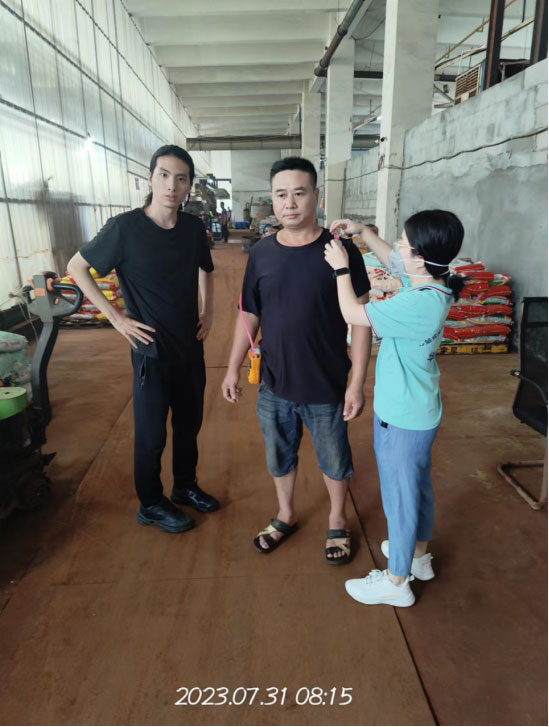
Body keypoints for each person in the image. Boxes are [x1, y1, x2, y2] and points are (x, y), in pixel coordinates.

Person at [222, 157, 372, 563]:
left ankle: (337, 519)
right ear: (272, 199)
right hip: (274, 382)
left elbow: (361, 321)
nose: (290, 203)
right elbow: (249, 312)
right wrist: (233, 366)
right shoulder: (262, 253)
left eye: (299, 193)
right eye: (281, 195)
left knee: (334, 459)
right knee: (279, 454)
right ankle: (285, 513)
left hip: (326, 383)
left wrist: (356, 383)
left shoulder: (340, 252)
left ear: (316, 196)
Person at [67, 144, 219, 534]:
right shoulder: (125, 228)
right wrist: (117, 319)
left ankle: (184, 485)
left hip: (189, 344)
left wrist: (209, 311)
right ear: (150, 178)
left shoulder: (191, 229)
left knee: (189, 423)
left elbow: (206, 267)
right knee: (152, 433)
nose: (172, 185)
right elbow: (76, 267)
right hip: (151, 350)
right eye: (164, 175)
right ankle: (150, 503)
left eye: (181, 179)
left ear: (189, 186)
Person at [324, 210, 465, 605]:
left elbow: (353, 314)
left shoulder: (418, 305)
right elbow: (394, 262)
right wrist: (363, 232)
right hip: (419, 410)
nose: (398, 247)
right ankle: (418, 556)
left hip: (402, 416)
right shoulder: (435, 284)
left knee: (400, 500)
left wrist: (341, 269)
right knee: (417, 488)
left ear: (420, 257)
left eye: (404, 242)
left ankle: (397, 581)